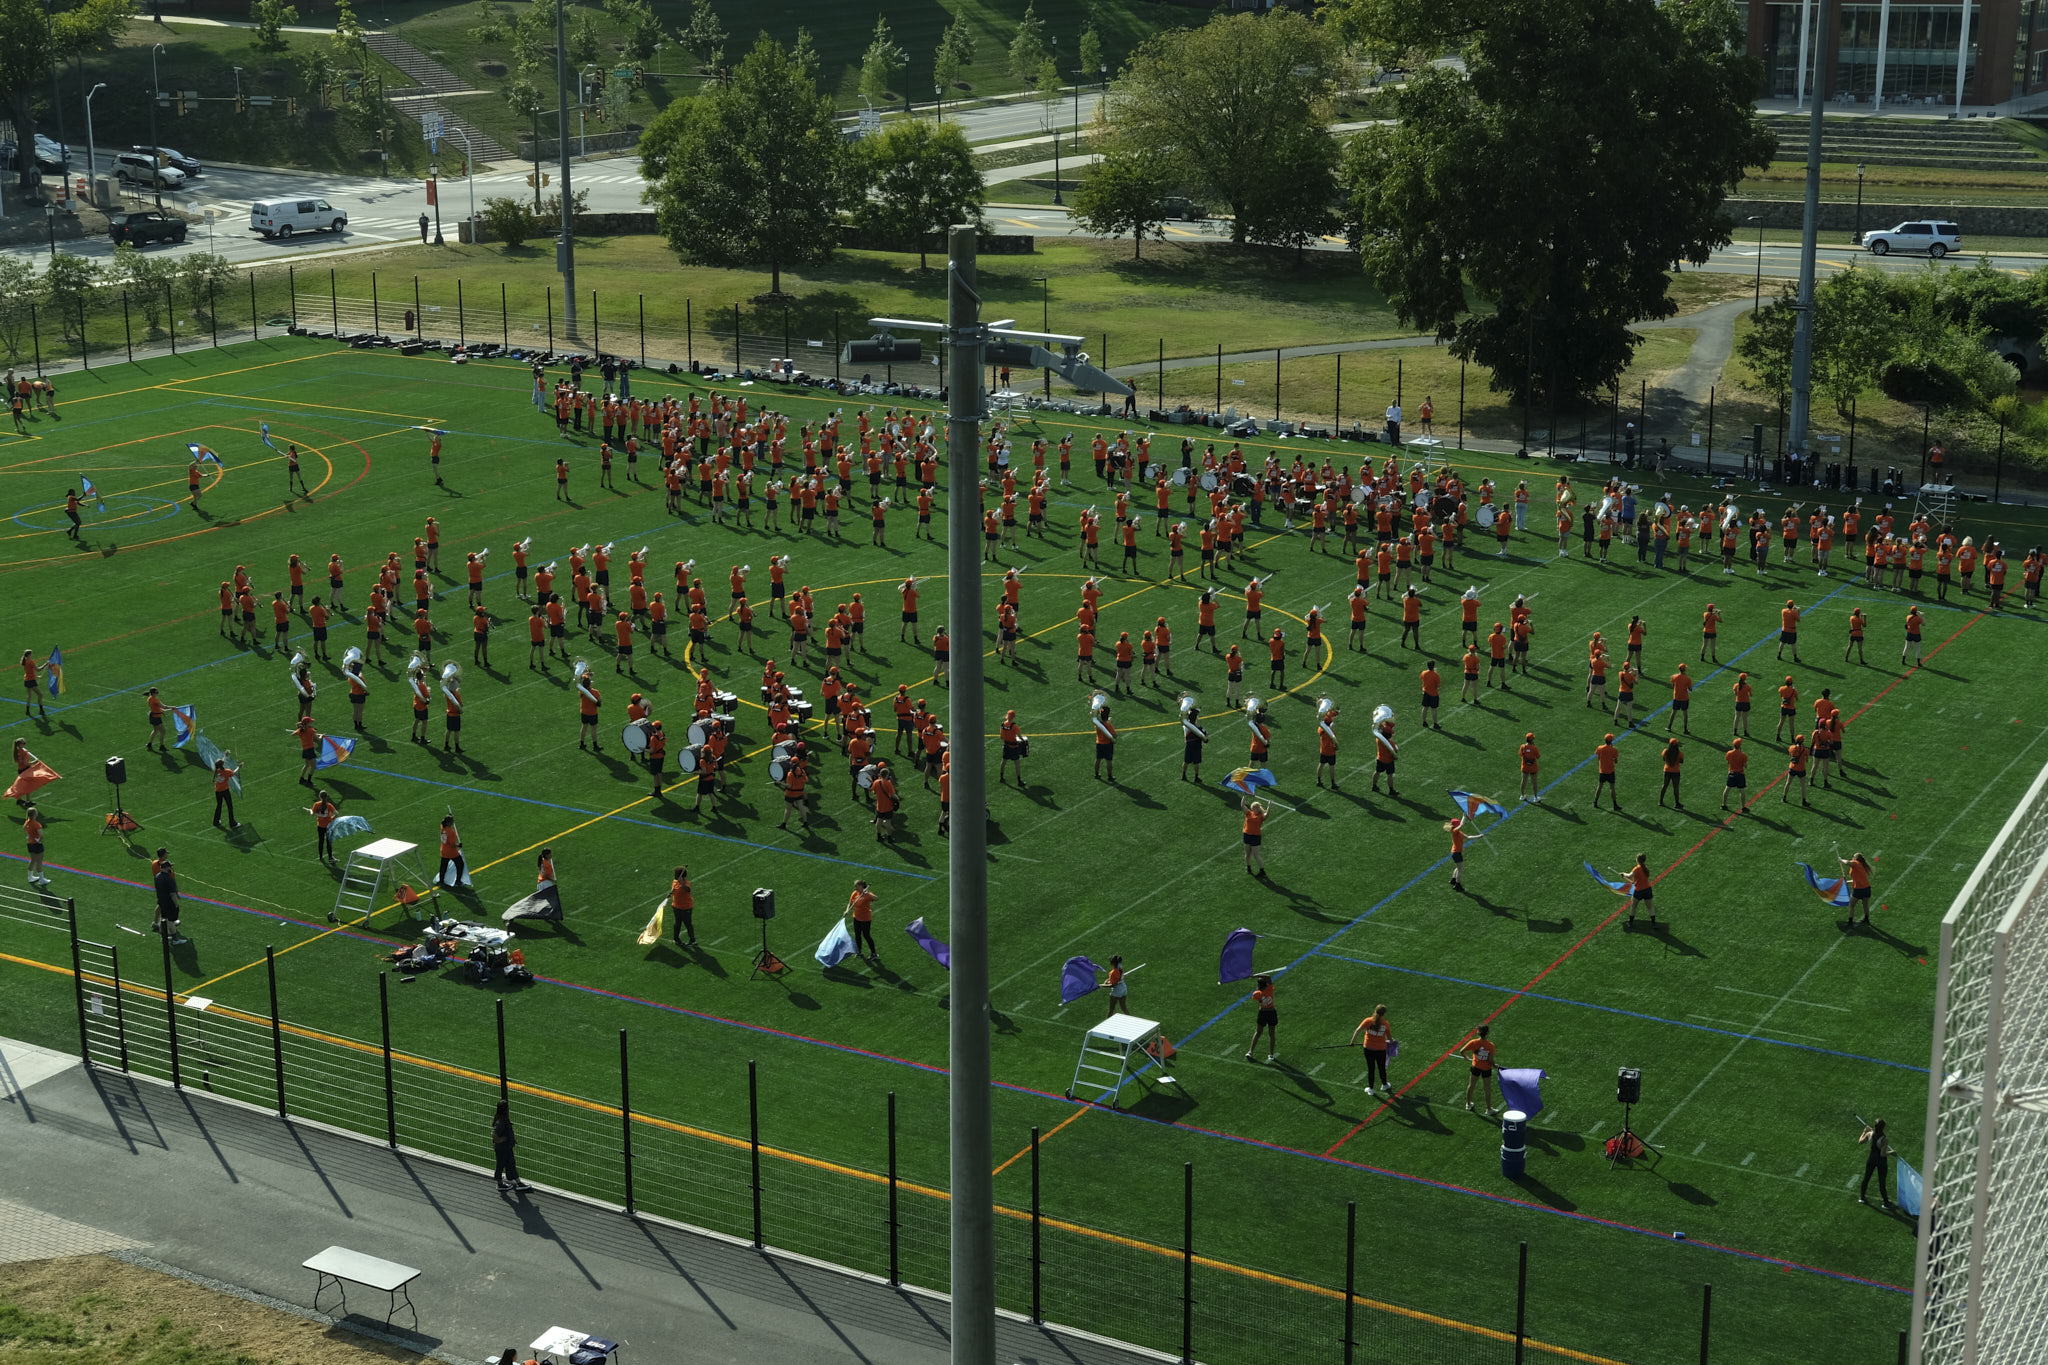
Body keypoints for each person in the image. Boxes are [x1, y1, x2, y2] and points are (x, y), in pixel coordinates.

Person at [491, 1100, 531, 1193]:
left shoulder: (501, 1119)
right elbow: (494, 1134)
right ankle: (515, 1183)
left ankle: (508, 1182)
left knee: (506, 1165)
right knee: (504, 1165)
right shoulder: (501, 1121)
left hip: (504, 1148)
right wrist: (502, 1140)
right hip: (503, 1148)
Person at [1352, 1004, 1392, 1094]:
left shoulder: (1368, 1021)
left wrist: (1352, 1042)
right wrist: (1392, 1042)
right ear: (1383, 1014)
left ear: (1375, 1011)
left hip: (1368, 1049)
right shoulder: (1385, 1024)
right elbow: (1389, 1038)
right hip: (1381, 1050)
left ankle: (1371, 1089)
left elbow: (1357, 1030)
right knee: (1381, 1068)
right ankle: (1384, 1084)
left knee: (1371, 1068)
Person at [1458, 1025, 1497, 1116]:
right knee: (1487, 1088)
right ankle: (1488, 1109)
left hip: (1475, 1067)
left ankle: (1468, 1104)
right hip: (1486, 1069)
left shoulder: (1473, 1042)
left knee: (1471, 1085)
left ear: (1478, 1032)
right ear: (1487, 1033)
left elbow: (1461, 1051)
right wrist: (1495, 1065)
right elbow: (1490, 1060)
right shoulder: (1490, 1045)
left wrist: (1466, 1057)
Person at [1858, 1118, 1892, 1208]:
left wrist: (1864, 1131)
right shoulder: (1885, 1139)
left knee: (1866, 1178)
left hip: (1871, 1159)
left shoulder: (1870, 1134)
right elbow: (1882, 1154)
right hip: (1881, 1162)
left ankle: (1862, 1197)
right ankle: (1885, 1202)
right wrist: (1891, 1153)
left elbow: (1860, 1141)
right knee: (1882, 1182)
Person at [1246, 974, 1279, 1063]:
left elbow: (1258, 1000)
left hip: (1263, 1013)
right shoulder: (1270, 988)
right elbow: (1268, 977)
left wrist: (1253, 976)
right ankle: (1271, 1054)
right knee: (1271, 1034)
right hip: (1271, 1012)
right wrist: (1256, 975)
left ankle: (1251, 1052)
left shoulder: (1256, 993)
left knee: (1259, 1032)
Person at [153, 856, 186, 944]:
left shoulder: (157, 876)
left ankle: (163, 937)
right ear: (166, 868)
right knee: (170, 921)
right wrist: (176, 904)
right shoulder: (169, 879)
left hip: (161, 901)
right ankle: (175, 939)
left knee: (163, 919)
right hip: (169, 903)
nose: (171, 868)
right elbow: (172, 894)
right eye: (170, 866)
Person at [1840, 852, 1875, 928]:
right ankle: (1866, 919)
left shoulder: (1856, 863)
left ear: (1855, 858)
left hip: (1859, 889)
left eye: (1853, 857)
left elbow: (1847, 862)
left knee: (1851, 905)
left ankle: (1850, 922)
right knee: (1865, 904)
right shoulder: (1861, 866)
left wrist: (1841, 860)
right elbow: (1858, 879)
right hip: (1867, 888)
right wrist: (1847, 882)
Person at [847, 879, 878, 960]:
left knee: (866, 936)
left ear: (861, 886)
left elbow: (876, 898)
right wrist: (847, 910)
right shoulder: (855, 893)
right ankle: (859, 951)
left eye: (856, 886)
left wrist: (868, 894)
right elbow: (850, 903)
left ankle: (874, 953)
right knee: (857, 935)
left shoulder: (866, 894)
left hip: (865, 919)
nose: (855, 888)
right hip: (856, 917)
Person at [22, 802, 48, 886]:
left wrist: (28, 836)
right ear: (35, 814)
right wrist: (39, 840)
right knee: (39, 862)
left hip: (30, 843)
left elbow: (24, 829)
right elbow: (41, 835)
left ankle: (30, 877)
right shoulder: (36, 824)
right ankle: (41, 879)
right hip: (37, 844)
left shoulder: (27, 822)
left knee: (33, 860)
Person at [1626, 853, 1655, 927]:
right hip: (1647, 889)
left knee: (1633, 906)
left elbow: (1630, 876)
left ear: (1637, 860)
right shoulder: (1645, 867)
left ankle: (1630, 922)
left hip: (1639, 890)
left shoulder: (1637, 868)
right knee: (1650, 907)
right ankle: (1653, 923)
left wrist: (1623, 874)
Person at [669, 866, 696, 947]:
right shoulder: (675, 882)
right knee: (677, 923)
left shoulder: (686, 883)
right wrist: (670, 893)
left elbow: (687, 889)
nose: (674, 875)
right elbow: (674, 890)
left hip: (686, 907)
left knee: (688, 924)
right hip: (676, 906)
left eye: (676, 874)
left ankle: (692, 940)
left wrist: (682, 883)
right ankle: (676, 939)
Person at [1242, 796, 1269, 876]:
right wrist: (1244, 797)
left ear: (1259, 808)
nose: (1255, 808)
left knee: (1256, 855)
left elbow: (1267, 815)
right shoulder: (1248, 813)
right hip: (1247, 835)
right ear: (1252, 808)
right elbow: (1242, 806)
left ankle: (1262, 870)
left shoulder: (1261, 816)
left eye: (1257, 807)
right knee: (1247, 854)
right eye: (1254, 807)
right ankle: (1248, 867)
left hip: (1255, 837)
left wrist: (1269, 806)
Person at [211, 756, 240, 828]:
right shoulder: (227, 771)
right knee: (230, 806)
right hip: (225, 791)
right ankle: (232, 823)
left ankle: (216, 821)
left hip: (217, 791)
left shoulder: (216, 770)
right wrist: (239, 767)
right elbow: (234, 773)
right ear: (222, 765)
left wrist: (225, 756)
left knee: (219, 805)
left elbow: (220, 763)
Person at [1593, 734, 1620, 810]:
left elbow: (1598, 758)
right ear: (1611, 741)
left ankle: (1595, 802)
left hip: (1602, 771)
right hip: (1610, 771)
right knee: (1612, 788)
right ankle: (1615, 805)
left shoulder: (1600, 748)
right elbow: (1616, 761)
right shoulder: (1614, 750)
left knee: (1600, 787)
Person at [311, 789, 339, 862]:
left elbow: (312, 814)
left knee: (321, 841)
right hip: (329, 825)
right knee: (328, 842)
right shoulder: (329, 805)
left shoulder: (316, 804)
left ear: (319, 796)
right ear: (326, 797)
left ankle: (320, 856)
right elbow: (336, 813)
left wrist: (311, 811)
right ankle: (330, 858)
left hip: (320, 826)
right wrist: (332, 818)